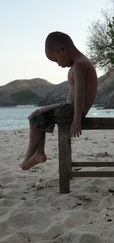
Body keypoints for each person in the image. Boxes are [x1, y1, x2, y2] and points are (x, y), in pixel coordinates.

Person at [20, 31, 97, 170]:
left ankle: (33, 155)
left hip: (73, 111)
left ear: (63, 50)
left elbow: (80, 93)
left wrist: (77, 120)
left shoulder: (80, 65)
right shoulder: (79, 63)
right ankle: (39, 153)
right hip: (71, 109)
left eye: (56, 60)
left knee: (35, 116)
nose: (57, 64)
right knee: (38, 115)